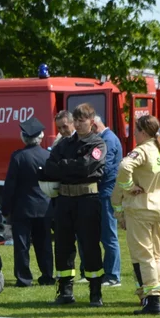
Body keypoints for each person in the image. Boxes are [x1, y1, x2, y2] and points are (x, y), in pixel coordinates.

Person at [113, 114, 160, 314]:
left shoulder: (143, 151)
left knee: (145, 256)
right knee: (156, 256)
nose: (134, 134)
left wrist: (129, 186)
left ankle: (153, 301)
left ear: (143, 132)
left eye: (136, 131)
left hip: (140, 209)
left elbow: (123, 167)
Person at [39, 102, 107, 307]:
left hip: (87, 199)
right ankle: (65, 290)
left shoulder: (97, 144)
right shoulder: (64, 144)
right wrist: (70, 166)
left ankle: (95, 292)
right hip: (64, 200)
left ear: (91, 121)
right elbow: (49, 167)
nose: (78, 124)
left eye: (82, 120)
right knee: (63, 245)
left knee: (90, 245)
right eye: (76, 120)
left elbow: (87, 167)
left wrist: (64, 166)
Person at [1, 117, 54, 287]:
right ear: (40, 136)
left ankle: (24, 278)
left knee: (22, 245)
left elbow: (10, 185)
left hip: (23, 208)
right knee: (44, 244)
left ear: (23, 137)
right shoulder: (48, 155)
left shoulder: (18, 157)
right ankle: (47, 275)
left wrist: (5, 208)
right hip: (44, 207)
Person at [93, 115, 123, 287]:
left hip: (107, 193)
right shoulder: (106, 139)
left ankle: (113, 275)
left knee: (109, 236)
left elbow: (107, 167)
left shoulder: (108, 140)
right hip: (103, 192)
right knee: (105, 235)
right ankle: (109, 273)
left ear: (95, 125)